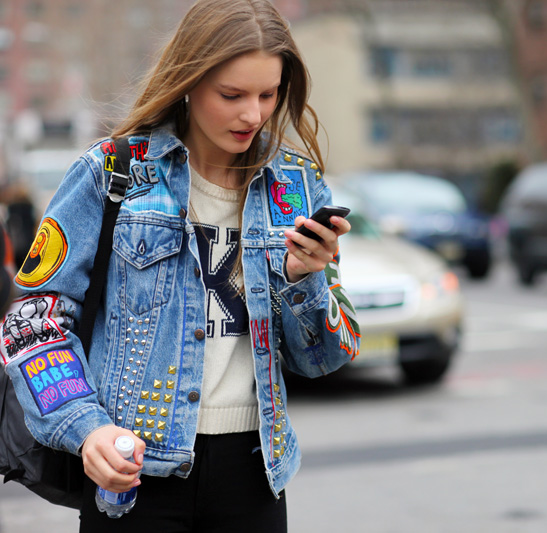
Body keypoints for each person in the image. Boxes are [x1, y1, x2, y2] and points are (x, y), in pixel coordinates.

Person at [0, 1, 360, 531]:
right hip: (132, 471)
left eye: (268, 94)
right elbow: (32, 322)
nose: (253, 115)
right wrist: (87, 429)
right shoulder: (113, 172)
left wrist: (303, 279)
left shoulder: (297, 188)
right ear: (188, 82)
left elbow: (322, 359)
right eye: (232, 95)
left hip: (255, 474)